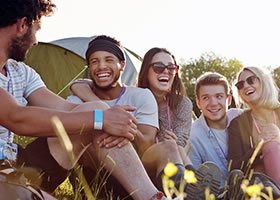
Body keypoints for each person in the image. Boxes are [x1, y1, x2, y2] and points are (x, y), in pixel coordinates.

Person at [0, 1, 175, 199]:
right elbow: (16, 118)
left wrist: (106, 117)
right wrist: (100, 118)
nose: (36, 41)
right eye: (36, 30)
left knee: (96, 110)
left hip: (16, 163)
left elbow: (65, 108)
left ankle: (152, 196)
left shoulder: (20, 71)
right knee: (97, 115)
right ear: (23, 25)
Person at [70, 43, 221, 199]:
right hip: (112, 165)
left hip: (160, 162)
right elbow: (79, 84)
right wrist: (108, 115)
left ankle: (191, 189)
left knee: (172, 146)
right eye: (158, 67)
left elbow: (174, 143)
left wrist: (127, 128)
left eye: (171, 68)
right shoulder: (137, 95)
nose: (165, 72)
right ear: (146, 71)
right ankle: (195, 191)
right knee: (169, 146)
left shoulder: (179, 104)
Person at [228, 66, 280, 186]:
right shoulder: (237, 124)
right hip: (259, 187)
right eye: (240, 85)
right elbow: (234, 168)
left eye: (251, 80)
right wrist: (258, 148)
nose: (245, 86)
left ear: (264, 81)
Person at [188, 72, 241, 187]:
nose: (213, 103)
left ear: (228, 99)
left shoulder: (240, 118)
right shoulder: (193, 136)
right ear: (198, 102)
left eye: (219, 96)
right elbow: (194, 183)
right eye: (206, 98)